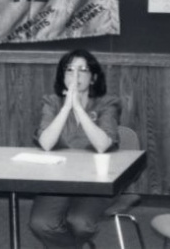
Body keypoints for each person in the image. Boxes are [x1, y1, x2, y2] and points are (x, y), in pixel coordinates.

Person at [28, 49, 122, 249]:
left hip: (97, 180)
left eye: (83, 70)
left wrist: (78, 107)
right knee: (41, 223)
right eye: (69, 70)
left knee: (80, 223)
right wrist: (66, 108)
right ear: (63, 76)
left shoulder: (107, 103)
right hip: (59, 179)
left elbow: (102, 144)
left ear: (94, 77)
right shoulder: (52, 102)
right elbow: (46, 143)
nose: (75, 76)